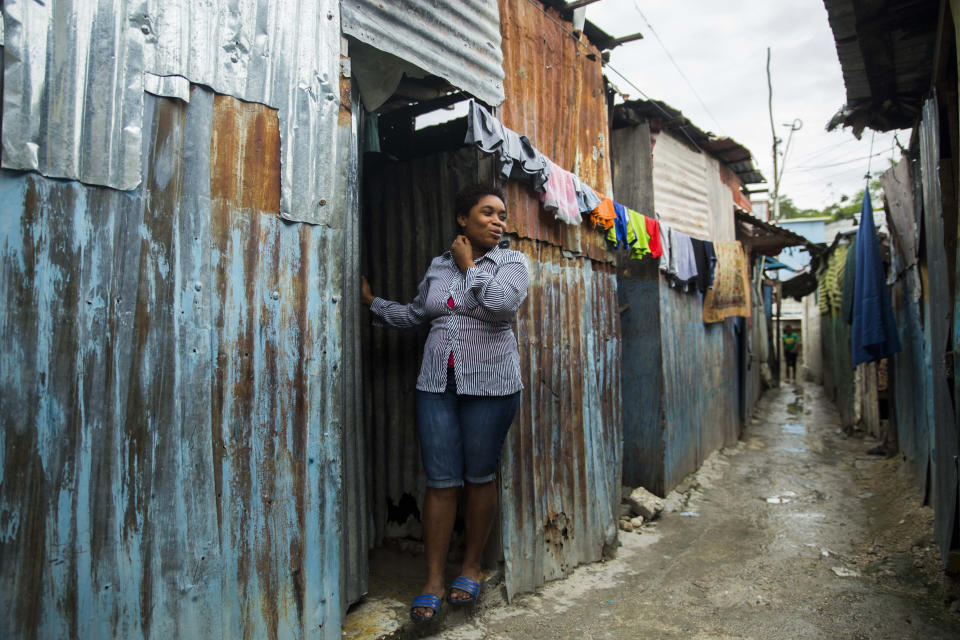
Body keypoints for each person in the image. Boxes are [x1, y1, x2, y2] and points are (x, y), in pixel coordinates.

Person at [361, 184, 530, 623]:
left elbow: (499, 306)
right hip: (437, 383)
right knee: (440, 482)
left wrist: (469, 265)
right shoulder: (438, 265)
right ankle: (434, 579)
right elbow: (419, 313)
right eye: (488, 213)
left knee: (478, 477)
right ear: (462, 219)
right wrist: (372, 303)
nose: (498, 221)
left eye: (502, 216)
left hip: (492, 387)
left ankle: (471, 566)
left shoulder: (512, 262)